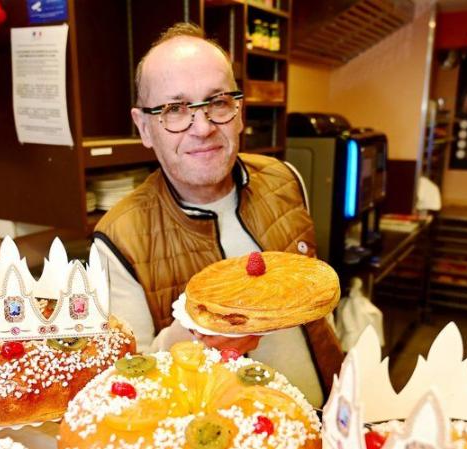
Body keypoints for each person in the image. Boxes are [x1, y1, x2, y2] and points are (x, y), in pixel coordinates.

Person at [92, 22, 343, 407]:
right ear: (144, 127)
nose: (203, 127)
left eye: (218, 102)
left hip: (326, 417)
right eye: (175, 109)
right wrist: (197, 332)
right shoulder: (119, 237)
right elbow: (130, 380)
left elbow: (318, 311)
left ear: (239, 112)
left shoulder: (285, 179)